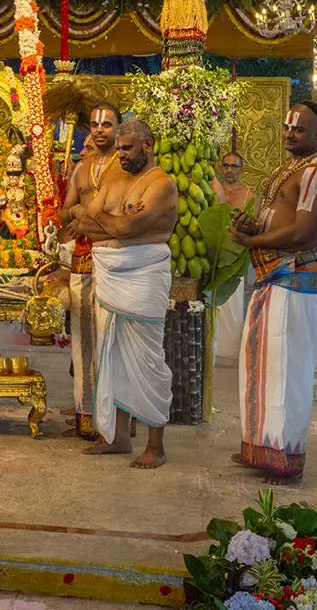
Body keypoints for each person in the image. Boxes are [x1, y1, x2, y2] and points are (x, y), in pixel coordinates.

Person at [229, 102, 317, 485]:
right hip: (275, 279)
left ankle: (287, 455)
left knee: (287, 371)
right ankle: (261, 447)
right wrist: (250, 223)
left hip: (299, 277)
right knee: (261, 366)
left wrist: (254, 238)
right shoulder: (286, 168)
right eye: (287, 128)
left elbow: (302, 232)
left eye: (300, 129)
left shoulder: (316, 172)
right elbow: (276, 218)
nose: (290, 134)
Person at [62, 117, 177, 470]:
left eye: (127, 148)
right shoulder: (113, 179)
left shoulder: (162, 186)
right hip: (110, 273)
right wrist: (102, 221)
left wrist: (100, 220)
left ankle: (156, 446)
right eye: (119, 148)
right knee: (110, 356)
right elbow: (76, 222)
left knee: (147, 360)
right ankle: (120, 438)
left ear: (148, 144)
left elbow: (125, 227)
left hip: (143, 275)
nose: (121, 154)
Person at [58, 101, 120, 440]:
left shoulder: (124, 167)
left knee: (111, 341)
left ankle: (114, 417)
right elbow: (65, 213)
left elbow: (120, 215)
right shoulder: (81, 170)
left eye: (107, 124)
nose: (99, 129)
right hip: (82, 261)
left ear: (118, 129)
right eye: (95, 124)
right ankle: (86, 414)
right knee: (81, 343)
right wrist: (82, 210)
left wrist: (85, 215)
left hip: (114, 262)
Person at [210, 151, 257, 365]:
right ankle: (211, 346)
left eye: (234, 166)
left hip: (235, 255)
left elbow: (254, 225)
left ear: (241, 169)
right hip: (211, 252)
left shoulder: (249, 195)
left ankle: (228, 352)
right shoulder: (211, 189)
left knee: (232, 303)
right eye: (226, 165)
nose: (229, 170)